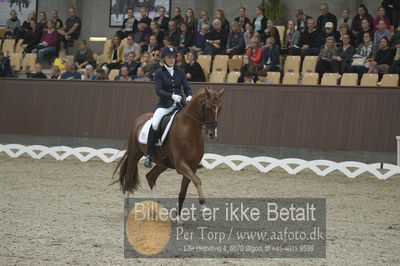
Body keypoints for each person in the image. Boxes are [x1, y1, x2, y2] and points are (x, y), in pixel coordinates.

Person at [143, 46, 193, 167]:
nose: (171, 59)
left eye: (173, 57)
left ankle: (194, 154)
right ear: (164, 58)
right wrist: (171, 96)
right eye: (168, 57)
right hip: (164, 105)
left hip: (180, 104)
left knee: (191, 123)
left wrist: (190, 95)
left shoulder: (180, 71)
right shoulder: (159, 72)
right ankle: (149, 155)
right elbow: (159, 91)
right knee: (155, 124)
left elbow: (186, 87)